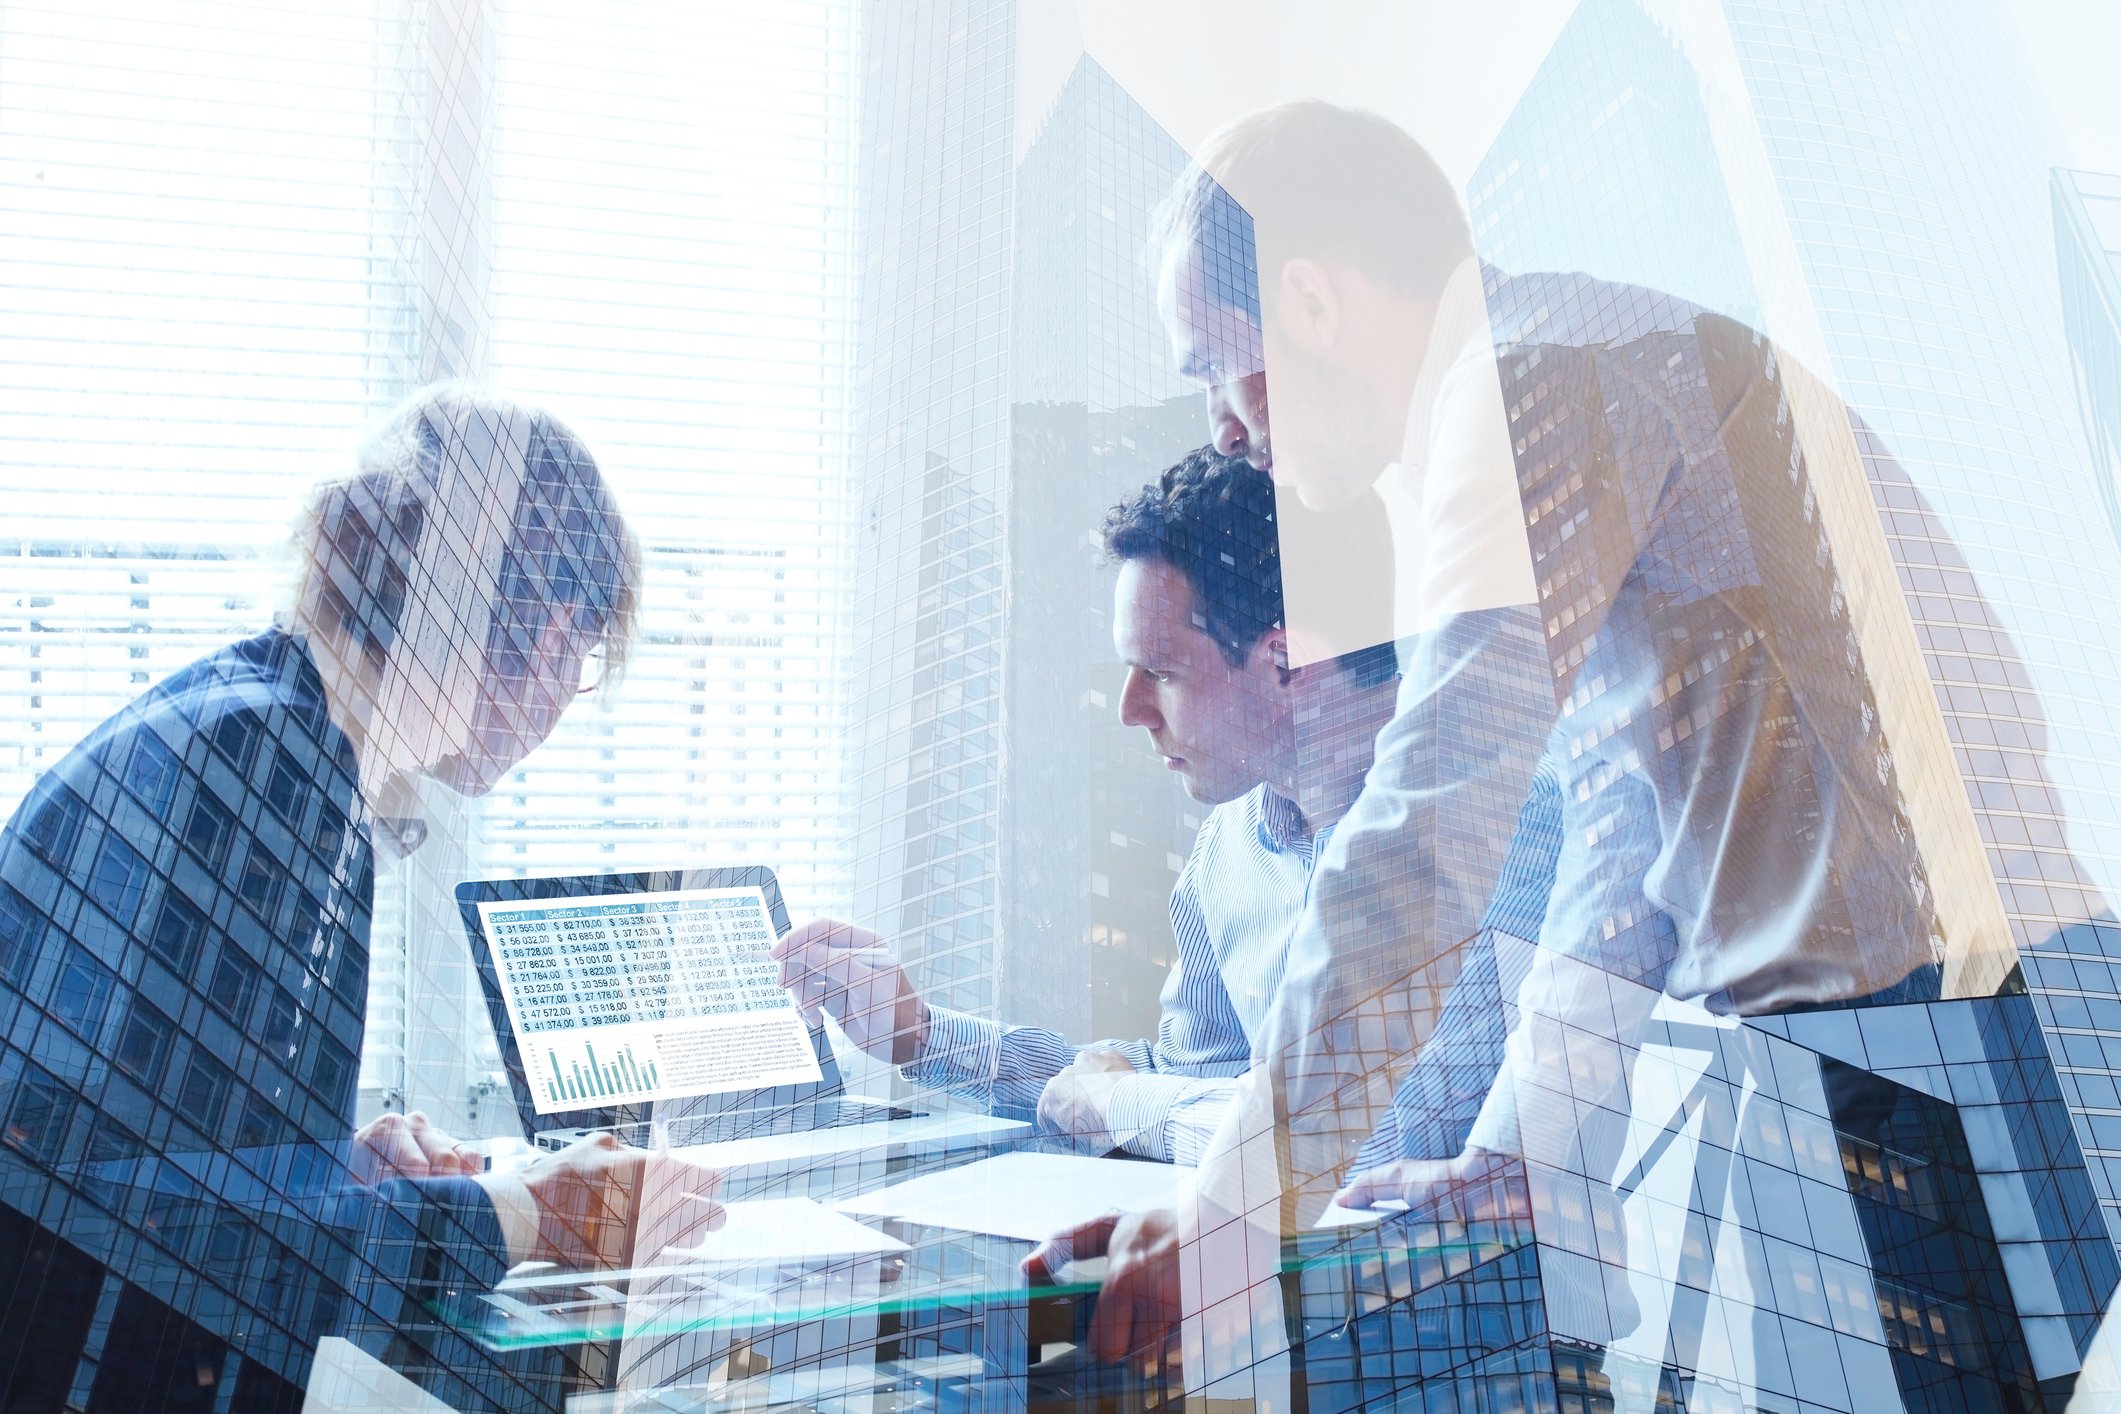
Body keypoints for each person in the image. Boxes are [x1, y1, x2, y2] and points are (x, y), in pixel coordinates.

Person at [1025, 99, 1962, 1400]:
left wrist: (1234, 1218)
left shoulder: (1528, 386)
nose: (1221, 427)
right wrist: (1525, 1140)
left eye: (1206, 364)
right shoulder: (1544, 372)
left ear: (1306, 298)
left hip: (1889, 1044)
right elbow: (1627, 814)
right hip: (1853, 1041)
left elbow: (1426, 838)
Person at [0, 387, 721, 1412]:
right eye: (584, 651)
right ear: (557, 627)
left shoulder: (250, 718)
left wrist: (331, 1162)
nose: (569, 685)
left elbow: (144, 1144)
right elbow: (170, 1235)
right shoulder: (272, 764)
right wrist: (522, 1210)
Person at [773, 446, 1402, 1163]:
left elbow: (1369, 1136)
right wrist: (919, 1035)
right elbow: (1187, 1087)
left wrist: (1121, 1102)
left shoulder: (1480, 824)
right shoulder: (1229, 849)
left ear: (1286, 663)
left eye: (1160, 672)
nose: (1131, 709)